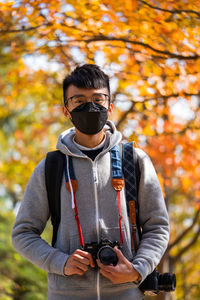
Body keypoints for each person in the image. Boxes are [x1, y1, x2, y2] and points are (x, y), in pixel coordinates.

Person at [12, 64, 170, 300]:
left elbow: (158, 226)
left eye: (98, 98)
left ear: (110, 106)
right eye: (79, 100)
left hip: (126, 294)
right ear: (66, 110)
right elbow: (23, 233)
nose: (90, 106)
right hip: (66, 294)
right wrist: (60, 262)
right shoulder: (50, 168)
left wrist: (138, 268)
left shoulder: (134, 161)